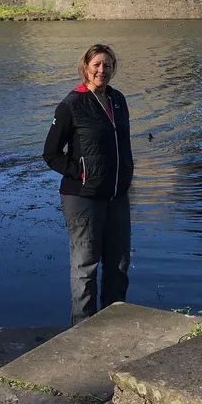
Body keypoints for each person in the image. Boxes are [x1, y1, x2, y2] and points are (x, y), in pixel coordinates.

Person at [43, 43, 134, 326]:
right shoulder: (71, 104)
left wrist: (126, 173)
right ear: (85, 67)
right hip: (83, 197)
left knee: (119, 265)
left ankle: (114, 325)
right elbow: (51, 154)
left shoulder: (118, 100)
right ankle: (82, 329)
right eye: (96, 65)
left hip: (117, 195)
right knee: (85, 266)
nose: (102, 70)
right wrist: (82, 173)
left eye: (107, 65)